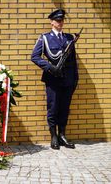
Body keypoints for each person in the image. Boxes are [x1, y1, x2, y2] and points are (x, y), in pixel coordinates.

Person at [31, 9, 78, 150]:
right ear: (51, 22)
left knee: (64, 108)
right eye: (57, 20)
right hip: (52, 79)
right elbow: (35, 57)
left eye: (62, 20)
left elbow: (73, 61)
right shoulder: (44, 38)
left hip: (68, 79)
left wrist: (75, 78)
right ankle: (53, 136)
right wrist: (51, 68)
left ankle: (62, 135)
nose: (60, 23)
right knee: (53, 107)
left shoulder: (69, 38)